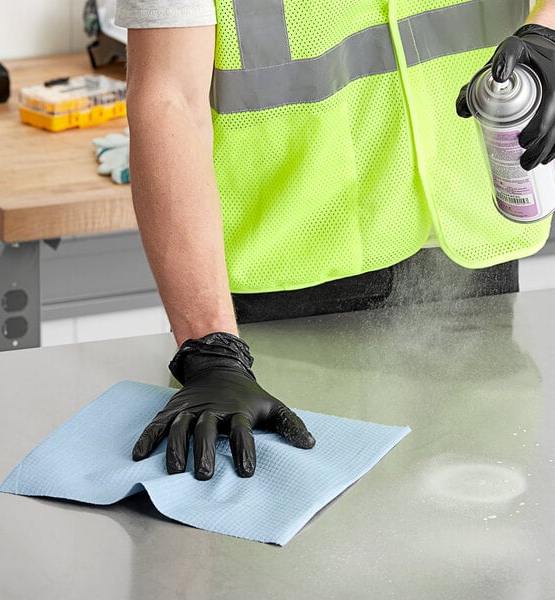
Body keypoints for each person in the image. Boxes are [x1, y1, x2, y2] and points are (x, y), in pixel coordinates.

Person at [114, 0, 555, 480]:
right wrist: (210, 347)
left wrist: (548, 36)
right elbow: (169, 98)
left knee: (473, 524)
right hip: (286, 295)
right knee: (291, 528)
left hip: (469, 244)